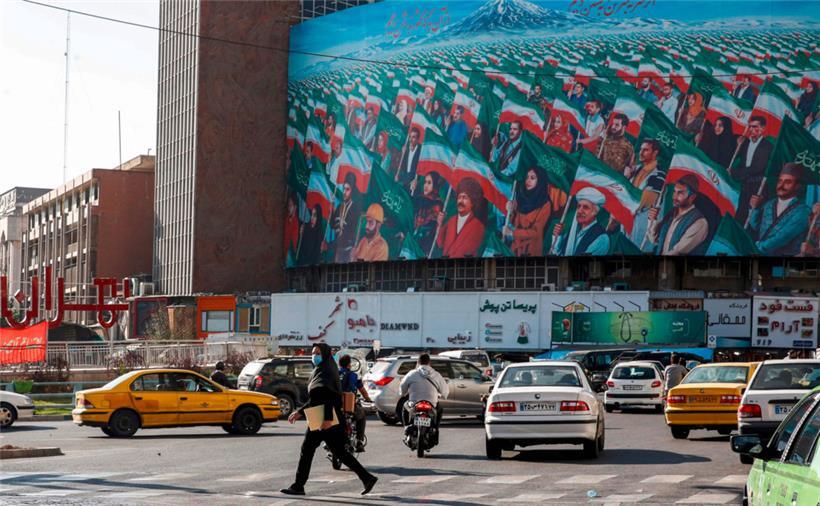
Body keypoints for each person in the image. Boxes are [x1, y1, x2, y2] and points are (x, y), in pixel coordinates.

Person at [281, 344, 377, 497]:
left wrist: (326, 419)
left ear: (325, 354)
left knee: (312, 450)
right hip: (318, 414)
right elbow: (315, 398)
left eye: (318, 353)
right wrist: (300, 412)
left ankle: (299, 486)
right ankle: (367, 478)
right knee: (334, 451)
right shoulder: (320, 370)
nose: (315, 355)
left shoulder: (327, 371)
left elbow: (330, 397)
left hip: (325, 416)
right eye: (313, 352)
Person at [748, 163, 811, 256]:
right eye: (780, 181)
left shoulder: (803, 211)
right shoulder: (770, 204)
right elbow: (756, 226)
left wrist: (757, 248)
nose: (781, 185)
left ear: (797, 186)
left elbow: (783, 237)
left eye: (787, 182)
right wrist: (755, 208)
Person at [647, 175, 709, 255]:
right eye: (674, 192)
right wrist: (652, 220)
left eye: (680, 193)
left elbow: (677, 252)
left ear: (692, 197)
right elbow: (654, 239)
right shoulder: (671, 214)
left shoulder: (700, 222)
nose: (674, 197)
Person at [624, 139, 666, 251]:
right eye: (641, 149)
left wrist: (626, 185)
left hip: (641, 228)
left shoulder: (659, 175)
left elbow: (644, 202)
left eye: (645, 150)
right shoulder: (636, 169)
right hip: (627, 224)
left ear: (655, 153)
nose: (641, 153)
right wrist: (626, 178)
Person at [733, 116, 774, 225]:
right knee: (740, 216)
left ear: (763, 129)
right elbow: (738, 162)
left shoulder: (767, 146)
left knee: (752, 220)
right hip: (745, 186)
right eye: (750, 127)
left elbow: (757, 168)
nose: (751, 130)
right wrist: (738, 146)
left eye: (755, 127)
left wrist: (735, 173)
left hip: (758, 188)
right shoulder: (745, 143)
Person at [504, 166, 552, 256]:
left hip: (530, 249)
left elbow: (536, 232)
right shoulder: (520, 197)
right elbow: (513, 222)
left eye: (532, 178)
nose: (528, 181)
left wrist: (512, 233)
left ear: (540, 181)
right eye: (527, 177)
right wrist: (510, 211)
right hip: (515, 247)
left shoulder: (546, 204)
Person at [399, 353, 449, 436]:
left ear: (418, 362)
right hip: (431, 403)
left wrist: (402, 393)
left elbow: (402, 387)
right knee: (439, 409)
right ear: (429, 362)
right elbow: (445, 390)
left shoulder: (412, 374)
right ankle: (436, 428)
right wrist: (444, 395)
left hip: (414, 403)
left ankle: (406, 427)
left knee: (405, 406)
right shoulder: (436, 375)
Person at [436, 177, 486, 258]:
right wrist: (440, 224)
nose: (460, 201)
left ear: (472, 202)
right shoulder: (452, 220)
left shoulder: (478, 226)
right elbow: (440, 243)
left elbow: (466, 251)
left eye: (465, 197)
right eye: (459, 197)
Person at [552, 187, 610, 255]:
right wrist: (558, 236)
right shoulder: (573, 230)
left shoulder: (601, 238)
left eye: (585, 207)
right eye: (578, 206)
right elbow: (557, 252)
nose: (579, 211)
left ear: (595, 212)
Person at [338, 355, 371, 452]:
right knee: (362, 416)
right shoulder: (354, 375)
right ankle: (359, 442)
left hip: (336, 405)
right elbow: (362, 390)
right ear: (349, 365)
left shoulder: (334, 374)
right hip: (349, 405)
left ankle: (327, 442)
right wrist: (368, 399)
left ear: (339, 364)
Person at [330, 173, 362, 263]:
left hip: (346, 252)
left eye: (347, 189)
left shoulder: (354, 209)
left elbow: (348, 233)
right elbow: (332, 225)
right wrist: (332, 210)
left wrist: (329, 245)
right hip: (336, 248)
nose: (344, 192)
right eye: (344, 188)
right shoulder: (340, 206)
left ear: (352, 191)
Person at [413, 173, 445, 254]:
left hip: (424, 244)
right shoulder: (420, 198)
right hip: (413, 238)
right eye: (425, 182)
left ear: (435, 185)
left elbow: (430, 226)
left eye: (429, 183)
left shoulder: (437, 203)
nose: (426, 185)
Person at [396, 127, 421, 193]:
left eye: (413, 137)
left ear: (418, 139)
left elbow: (414, 173)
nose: (410, 140)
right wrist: (403, 154)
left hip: (414, 187)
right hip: (405, 184)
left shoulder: (420, 152)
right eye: (410, 137)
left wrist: (400, 178)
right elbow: (403, 167)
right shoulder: (406, 149)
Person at [284, 193, 300, 259]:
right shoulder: (286, 218)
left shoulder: (296, 222)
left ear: (295, 207)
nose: (288, 208)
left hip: (289, 256)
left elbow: (293, 243)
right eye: (288, 205)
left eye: (290, 205)